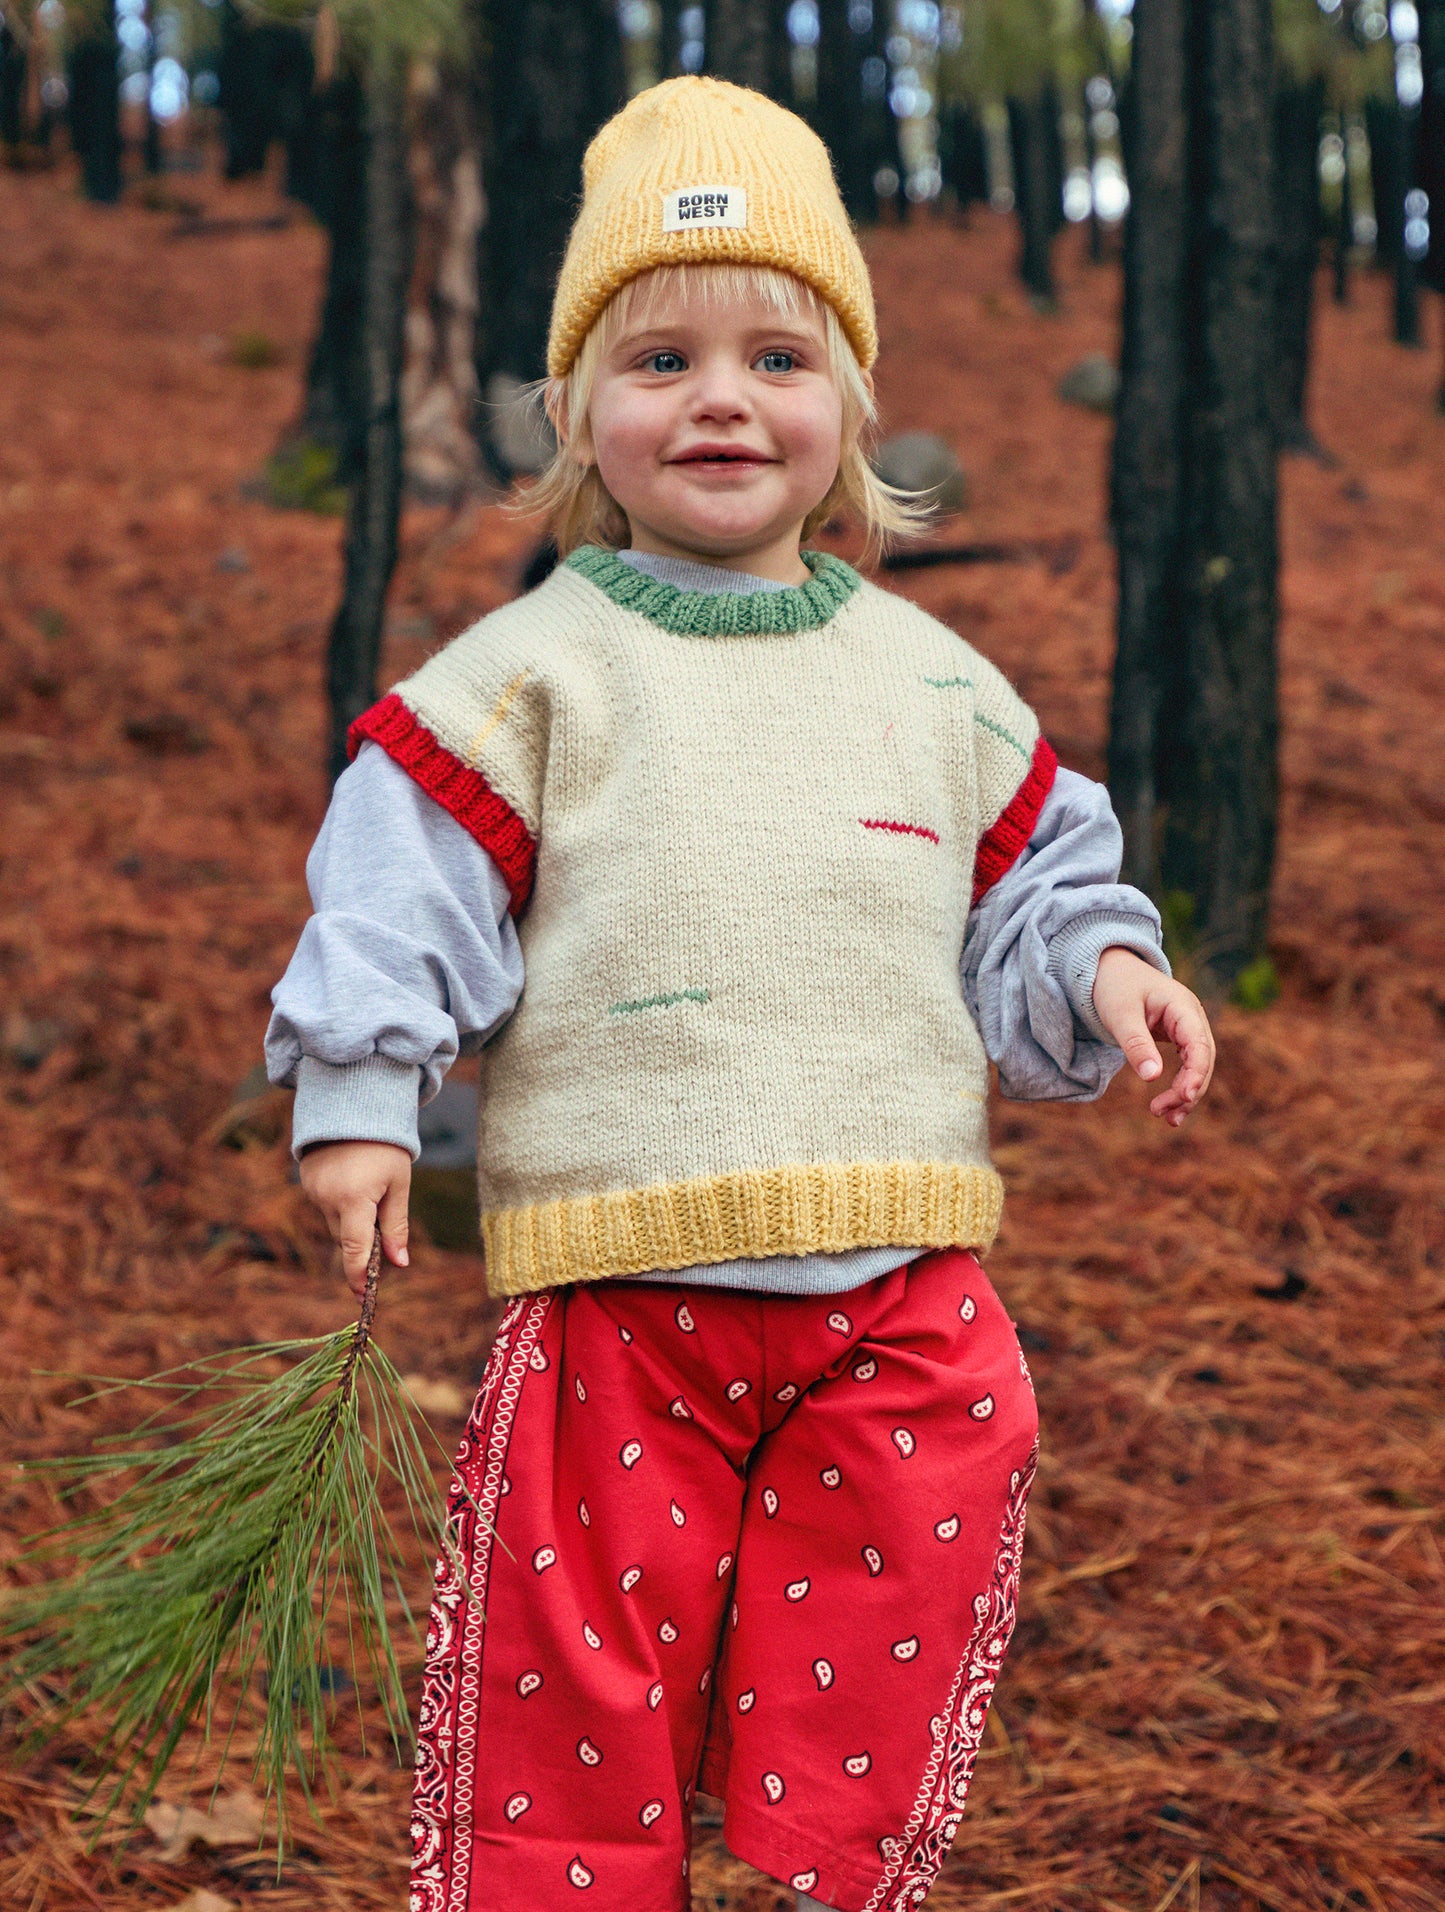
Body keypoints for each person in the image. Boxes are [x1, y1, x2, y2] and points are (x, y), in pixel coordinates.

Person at [266, 76, 1214, 1912]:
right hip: (622, 1299)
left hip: (905, 1307)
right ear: (570, 417)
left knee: (875, 1657)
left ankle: (817, 1881)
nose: (720, 398)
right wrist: (363, 1095)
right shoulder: (531, 675)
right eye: (659, 360)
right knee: (574, 1693)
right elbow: (399, 882)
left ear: (849, 406)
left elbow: (1032, 878)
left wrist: (1107, 971)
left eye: (778, 355)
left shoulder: (934, 686)